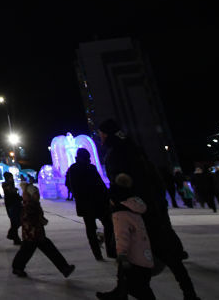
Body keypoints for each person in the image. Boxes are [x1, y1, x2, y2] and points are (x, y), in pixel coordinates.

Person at [99, 118, 200, 300]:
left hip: (134, 209)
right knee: (168, 254)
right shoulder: (134, 149)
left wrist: (117, 201)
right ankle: (189, 293)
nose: (100, 138)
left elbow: (121, 183)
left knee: (129, 249)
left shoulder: (116, 154)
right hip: (152, 206)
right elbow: (153, 179)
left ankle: (124, 290)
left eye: (101, 134)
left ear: (106, 134)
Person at [97, 174, 156, 300]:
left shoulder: (120, 214)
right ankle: (119, 293)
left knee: (137, 288)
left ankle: (121, 293)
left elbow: (122, 236)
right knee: (131, 280)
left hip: (132, 257)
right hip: (144, 253)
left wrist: (122, 254)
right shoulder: (134, 206)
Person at [11, 183, 75, 279]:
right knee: (30, 250)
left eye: (38, 194)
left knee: (29, 251)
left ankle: (64, 268)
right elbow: (27, 218)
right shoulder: (29, 205)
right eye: (35, 194)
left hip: (36, 233)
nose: (38, 196)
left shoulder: (34, 204)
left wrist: (41, 220)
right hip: (32, 234)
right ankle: (64, 268)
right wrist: (40, 220)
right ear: (30, 195)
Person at [65, 147, 116, 260]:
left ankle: (97, 253)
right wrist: (107, 196)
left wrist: (78, 198)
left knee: (91, 229)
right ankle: (110, 249)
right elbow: (100, 184)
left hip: (85, 204)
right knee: (108, 224)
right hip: (98, 202)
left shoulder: (73, 168)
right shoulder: (90, 167)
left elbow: (73, 186)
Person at [2, 171, 23, 245]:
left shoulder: (10, 184)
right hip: (12, 205)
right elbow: (11, 194)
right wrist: (19, 196)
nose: (12, 178)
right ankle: (12, 235)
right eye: (11, 177)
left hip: (15, 204)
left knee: (16, 222)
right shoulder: (6, 184)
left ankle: (15, 238)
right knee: (16, 222)